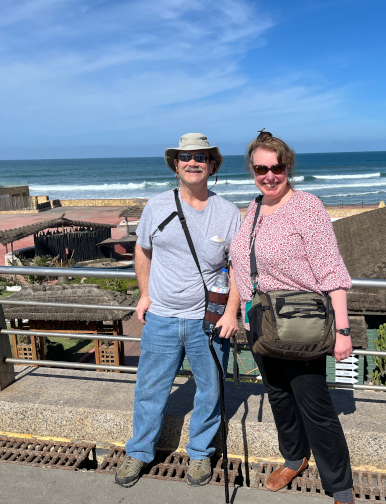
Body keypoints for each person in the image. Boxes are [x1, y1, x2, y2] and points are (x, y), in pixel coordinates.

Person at [229, 131, 355, 504]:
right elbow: (240, 266)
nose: (269, 175)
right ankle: (294, 457)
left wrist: (343, 330)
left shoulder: (307, 207)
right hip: (260, 323)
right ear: (252, 171)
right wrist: (234, 313)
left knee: (314, 404)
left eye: (276, 167)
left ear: (289, 167)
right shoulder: (252, 208)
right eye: (260, 169)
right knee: (279, 396)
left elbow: (332, 271)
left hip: (299, 322)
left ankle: (340, 485)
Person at [115, 133, 242, 488]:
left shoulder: (228, 212)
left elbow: (238, 268)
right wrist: (144, 294)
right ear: (175, 164)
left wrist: (232, 312)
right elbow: (142, 250)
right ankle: (139, 451)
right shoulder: (156, 206)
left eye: (201, 157)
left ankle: (200, 452)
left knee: (211, 389)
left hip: (209, 320)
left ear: (212, 165)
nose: (193, 162)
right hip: (163, 317)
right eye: (186, 156)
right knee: (150, 388)